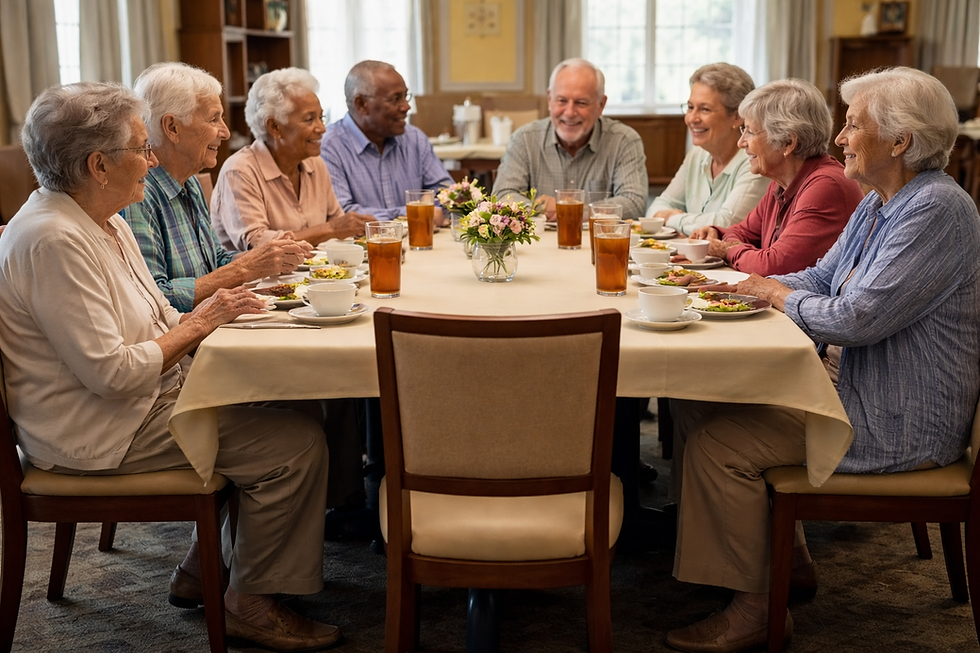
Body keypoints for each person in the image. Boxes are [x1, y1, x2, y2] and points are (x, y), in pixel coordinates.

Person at [0, 82, 342, 652]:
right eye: (142, 149)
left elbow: (159, 312)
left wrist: (214, 312)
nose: (153, 160)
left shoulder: (101, 219)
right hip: (100, 428)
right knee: (295, 446)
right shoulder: (53, 239)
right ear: (98, 165)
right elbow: (113, 375)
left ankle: (204, 571)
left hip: (138, 402)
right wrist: (202, 322)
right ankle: (250, 604)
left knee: (282, 402)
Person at [665, 67, 980, 653]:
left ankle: (756, 609)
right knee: (697, 401)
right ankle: (788, 565)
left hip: (898, 417)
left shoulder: (935, 210)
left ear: (900, 141)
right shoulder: (882, 201)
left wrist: (772, 292)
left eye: (853, 126)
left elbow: (856, 318)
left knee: (718, 444)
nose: (838, 138)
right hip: (853, 388)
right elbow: (820, 277)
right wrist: (740, 286)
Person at [122, 62, 311, 313]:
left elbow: (215, 261)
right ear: (172, 128)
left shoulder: (190, 182)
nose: (225, 132)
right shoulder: (139, 195)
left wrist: (269, 257)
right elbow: (154, 296)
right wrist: (246, 268)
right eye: (214, 119)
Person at [688, 79, 865, 277]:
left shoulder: (825, 186)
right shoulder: (781, 183)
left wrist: (726, 250)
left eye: (750, 132)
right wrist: (719, 234)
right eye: (743, 130)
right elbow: (741, 232)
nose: (741, 142)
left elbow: (773, 266)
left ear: (788, 142)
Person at [211, 67, 374, 252]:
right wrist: (331, 229)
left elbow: (338, 223)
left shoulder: (314, 163)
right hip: (260, 272)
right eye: (309, 119)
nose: (322, 128)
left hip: (313, 269)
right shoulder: (239, 170)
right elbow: (257, 244)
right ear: (274, 127)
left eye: (321, 117)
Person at [492, 58, 647, 220]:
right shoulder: (524, 139)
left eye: (581, 103)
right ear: (550, 99)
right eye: (562, 101)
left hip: (597, 236)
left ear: (601, 105)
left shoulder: (624, 141)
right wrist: (538, 208)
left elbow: (634, 203)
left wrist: (570, 210)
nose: (570, 112)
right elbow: (503, 195)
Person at [319, 60, 453, 222]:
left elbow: (448, 193)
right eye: (395, 99)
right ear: (361, 104)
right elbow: (343, 214)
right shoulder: (329, 147)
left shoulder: (414, 138)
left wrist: (434, 205)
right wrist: (415, 211)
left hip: (421, 238)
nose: (406, 107)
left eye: (405, 96)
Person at [647, 63, 768, 235]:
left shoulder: (755, 162)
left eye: (705, 109)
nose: (692, 118)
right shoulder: (697, 154)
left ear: (737, 116)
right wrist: (673, 218)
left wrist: (672, 219)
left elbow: (725, 224)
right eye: (690, 107)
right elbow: (656, 208)